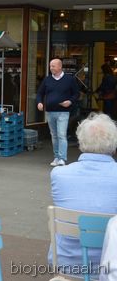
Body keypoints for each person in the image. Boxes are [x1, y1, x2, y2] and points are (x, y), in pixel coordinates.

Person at [50, 113, 117, 275]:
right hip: (109, 267)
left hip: (65, 263)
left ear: (81, 143)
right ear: (114, 145)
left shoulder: (58, 174)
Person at [37, 58, 80, 167]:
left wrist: (70, 101)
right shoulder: (47, 80)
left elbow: (76, 94)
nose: (51, 68)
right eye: (50, 66)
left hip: (63, 112)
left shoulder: (69, 79)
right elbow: (40, 93)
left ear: (60, 66)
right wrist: (39, 102)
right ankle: (56, 157)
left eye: (53, 66)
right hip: (50, 112)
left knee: (61, 135)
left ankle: (62, 158)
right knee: (54, 135)